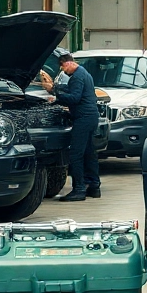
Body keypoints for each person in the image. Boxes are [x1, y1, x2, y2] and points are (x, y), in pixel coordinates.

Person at [44, 54, 100, 201]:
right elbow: (75, 91)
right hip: (91, 117)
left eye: (62, 67)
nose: (62, 71)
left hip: (83, 119)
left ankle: (79, 189)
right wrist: (56, 88)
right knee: (89, 153)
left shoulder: (77, 76)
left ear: (68, 63)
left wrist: (56, 98)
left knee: (75, 154)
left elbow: (74, 97)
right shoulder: (84, 73)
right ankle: (94, 186)